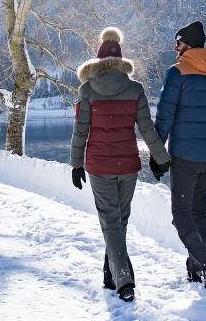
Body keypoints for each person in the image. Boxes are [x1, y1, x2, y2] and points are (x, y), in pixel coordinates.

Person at [70, 27, 171, 303]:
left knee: (112, 222)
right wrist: (162, 159)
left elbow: (81, 130)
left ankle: (124, 281)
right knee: (118, 221)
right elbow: (147, 129)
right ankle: (110, 273)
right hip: (128, 165)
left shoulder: (87, 89)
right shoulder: (134, 89)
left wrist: (76, 163)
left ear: (98, 61)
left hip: (99, 166)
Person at [152, 20, 206, 290]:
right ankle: (196, 268)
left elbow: (165, 117)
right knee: (198, 211)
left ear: (187, 44)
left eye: (178, 42)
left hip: (185, 157)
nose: (175, 48)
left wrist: (156, 154)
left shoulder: (178, 73)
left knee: (181, 213)